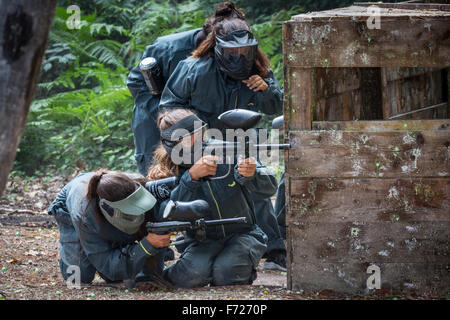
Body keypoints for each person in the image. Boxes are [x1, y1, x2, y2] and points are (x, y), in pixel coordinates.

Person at [158, 17, 287, 271]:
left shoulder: (259, 71)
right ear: (218, 48)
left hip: (242, 141)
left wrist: (266, 88)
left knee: (254, 188)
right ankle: (189, 243)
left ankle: (274, 251)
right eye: (232, 52)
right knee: (194, 192)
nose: (239, 57)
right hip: (201, 144)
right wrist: (192, 137)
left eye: (244, 51)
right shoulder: (193, 69)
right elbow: (168, 107)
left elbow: (278, 106)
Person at [148, 108, 278, 287]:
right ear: (173, 144)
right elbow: (165, 213)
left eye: (198, 133)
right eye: (187, 139)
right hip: (202, 240)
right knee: (191, 276)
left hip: (243, 233)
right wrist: (190, 179)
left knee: (226, 273)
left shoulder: (227, 150)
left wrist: (252, 174)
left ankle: (235, 269)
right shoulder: (170, 170)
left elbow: (271, 186)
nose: (197, 141)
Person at [127, 2, 245, 177]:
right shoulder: (167, 48)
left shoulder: (225, 56)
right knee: (155, 172)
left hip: (190, 125)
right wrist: (169, 120)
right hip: (152, 118)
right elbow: (136, 82)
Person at [47, 169, 171, 285]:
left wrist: (148, 275)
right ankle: (73, 252)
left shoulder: (141, 187)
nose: (139, 215)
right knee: (79, 277)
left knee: (118, 277)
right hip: (69, 210)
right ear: (108, 209)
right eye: (130, 212)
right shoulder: (83, 214)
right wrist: (146, 245)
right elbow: (108, 267)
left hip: (104, 206)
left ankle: (104, 250)